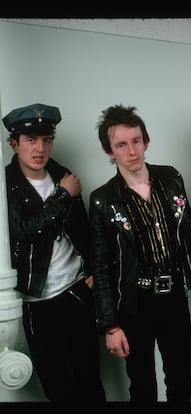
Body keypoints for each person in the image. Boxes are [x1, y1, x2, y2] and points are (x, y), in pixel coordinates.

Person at [89, 104, 191, 404]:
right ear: (109, 151)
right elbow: (101, 267)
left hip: (173, 296)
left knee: (181, 385)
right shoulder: (103, 200)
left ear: (146, 141)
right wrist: (110, 325)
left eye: (136, 140)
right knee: (142, 389)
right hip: (134, 304)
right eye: (121, 145)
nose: (131, 150)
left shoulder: (170, 178)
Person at [2, 103, 106, 403]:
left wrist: (93, 272)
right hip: (37, 301)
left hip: (76, 291)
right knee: (57, 387)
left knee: (90, 380)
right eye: (31, 140)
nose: (40, 148)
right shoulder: (6, 185)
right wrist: (62, 196)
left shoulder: (63, 174)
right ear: (14, 143)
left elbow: (84, 230)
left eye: (46, 140)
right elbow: (23, 231)